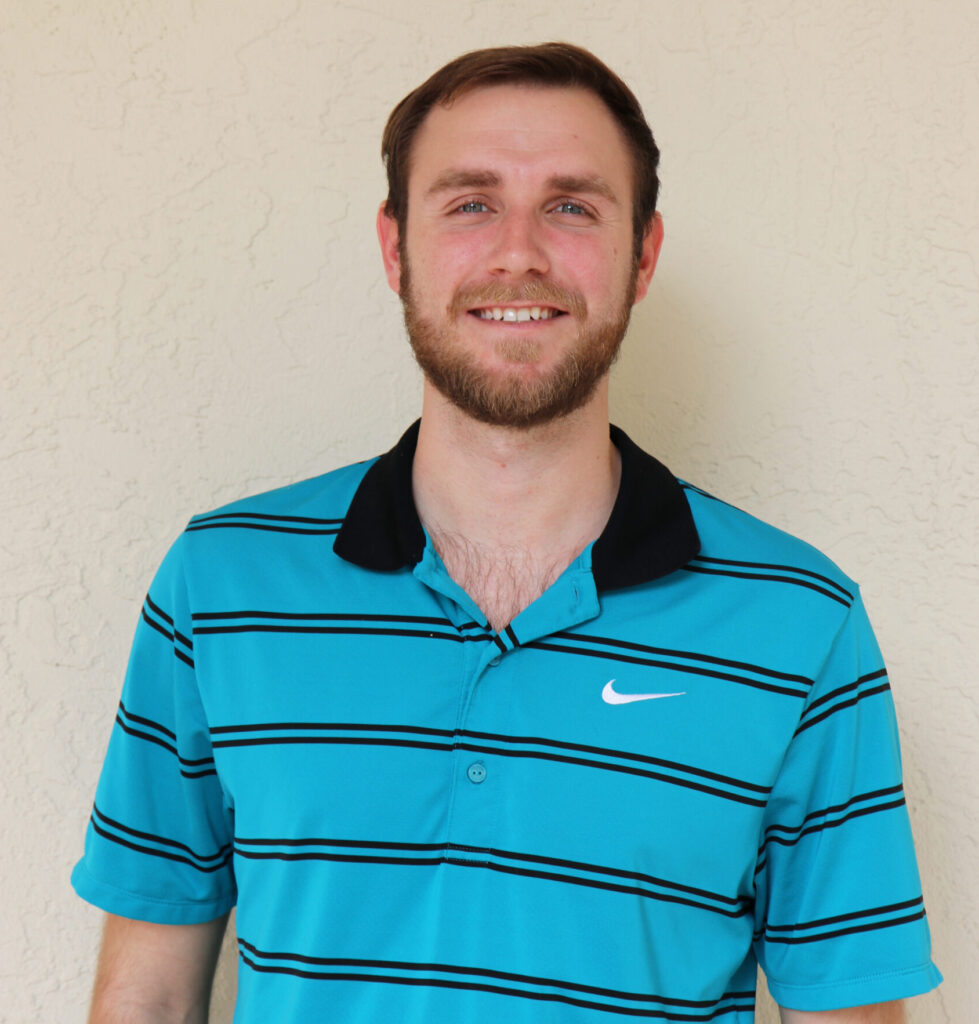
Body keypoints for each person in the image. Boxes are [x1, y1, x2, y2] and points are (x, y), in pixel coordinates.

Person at [73, 43, 941, 1024]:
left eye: (571, 205)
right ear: (395, 247)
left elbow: (851, 1013)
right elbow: (143, 991)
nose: (517, 251)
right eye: (470, 202)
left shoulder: (798, 622)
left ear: (642, 254)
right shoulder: (221, 585)